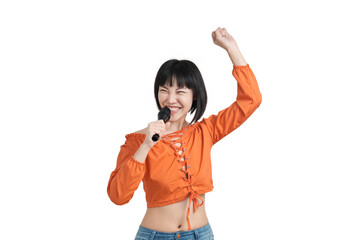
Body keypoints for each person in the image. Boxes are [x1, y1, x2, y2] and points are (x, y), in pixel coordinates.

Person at [107, 27, 262, 240]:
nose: (171, 99)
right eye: (164, 90)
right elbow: (118, 196)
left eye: (180, 91)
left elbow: (251, 100)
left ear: (194, 96)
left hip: (202, 234)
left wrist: (232, 49)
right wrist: (145, 147)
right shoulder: (137, 141)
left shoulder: (205, 132)